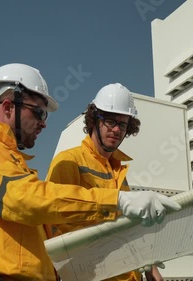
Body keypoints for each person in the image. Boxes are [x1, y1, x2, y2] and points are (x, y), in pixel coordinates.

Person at [0, 64, 181, 281]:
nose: (44, 123)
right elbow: (27, 199)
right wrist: (117, 201)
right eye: (39, 112)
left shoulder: (11, 162)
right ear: (8, 107)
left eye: (124, 124)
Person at [46, 83, 165, 281]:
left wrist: (149, 267)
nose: (117, 130)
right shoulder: (69, 162)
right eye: (110, 121)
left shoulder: (118, 170)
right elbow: (54, 228)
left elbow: (130, 227)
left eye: (123, 124)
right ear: (94, 120)